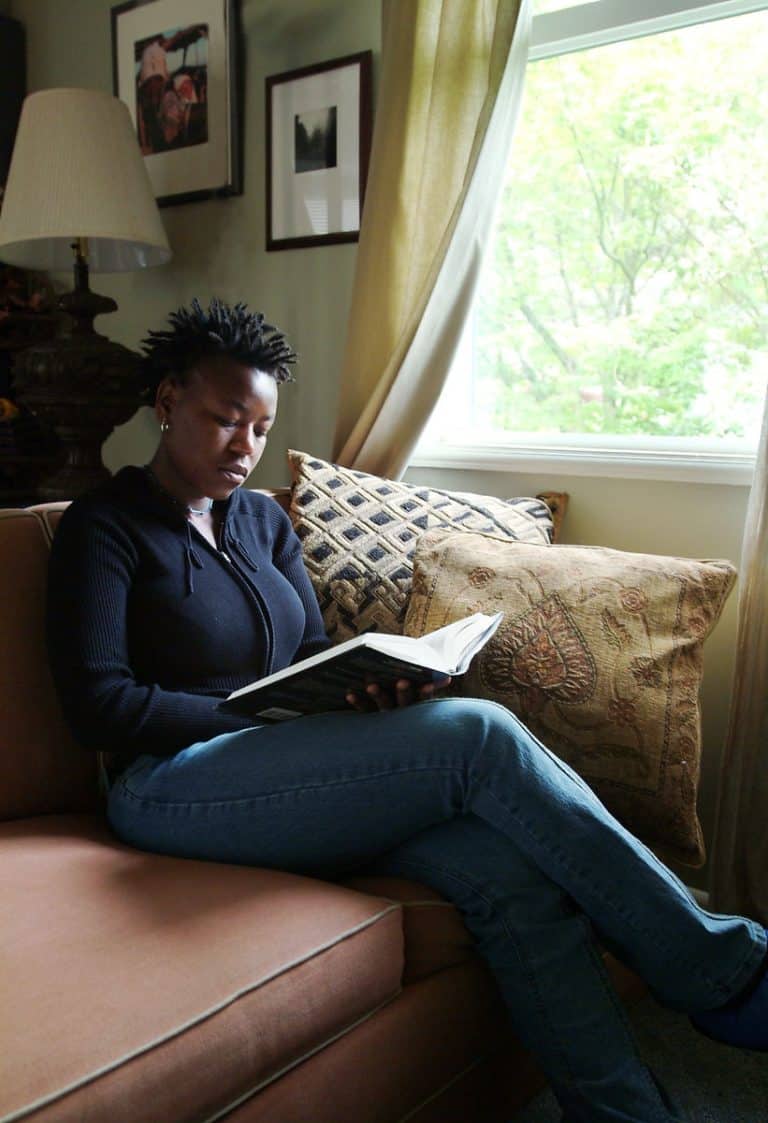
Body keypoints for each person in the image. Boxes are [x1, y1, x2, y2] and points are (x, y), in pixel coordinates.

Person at [45, 298, 768, 1123]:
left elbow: (308, 649)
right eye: (224, 420)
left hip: (281, 762)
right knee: (476, 734)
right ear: (167, 402)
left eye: (261, 426)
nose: (245, 447)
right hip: (166, 788)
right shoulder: (102, 527)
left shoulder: (258, 519)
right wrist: (256, 717)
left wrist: (365, 689)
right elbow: (100, 707)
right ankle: (721, 968)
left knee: (509, 876)